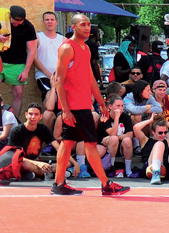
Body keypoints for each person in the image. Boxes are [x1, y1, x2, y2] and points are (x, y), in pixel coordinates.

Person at [51, 14, 130, 196]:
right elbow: (59, 81)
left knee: (68, 143)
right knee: (90, 144)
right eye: (82, 25)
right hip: (74, 107)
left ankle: (59, 184)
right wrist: (66, 110)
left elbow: (91, 79)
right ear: (73, 27)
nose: (87, 28)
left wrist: (102, 104)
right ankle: (105, 184)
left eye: (88, 25)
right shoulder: (67, 48)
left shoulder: (85, 48)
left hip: (82, 105)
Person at [0, 5, 38, 118]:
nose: (18, 24)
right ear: (10, 16)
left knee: (18, 93)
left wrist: (26, 71)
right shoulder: (2, 20)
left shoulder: (28, 26)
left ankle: (15, 121)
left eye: (20, 22)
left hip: (17, 63)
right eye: (15, 22)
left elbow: (31, 50)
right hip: (1, 59)